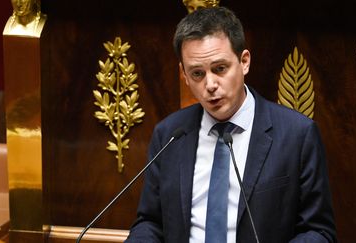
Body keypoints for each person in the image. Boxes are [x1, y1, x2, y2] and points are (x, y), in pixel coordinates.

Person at [125, 7, 337, 243]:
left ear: (244, 62)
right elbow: (150, 222)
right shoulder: (169, 135)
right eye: (197, 74)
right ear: (183, 75)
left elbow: (319, 232)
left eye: (220, 69)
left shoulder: (297, 135)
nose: (210, 84)